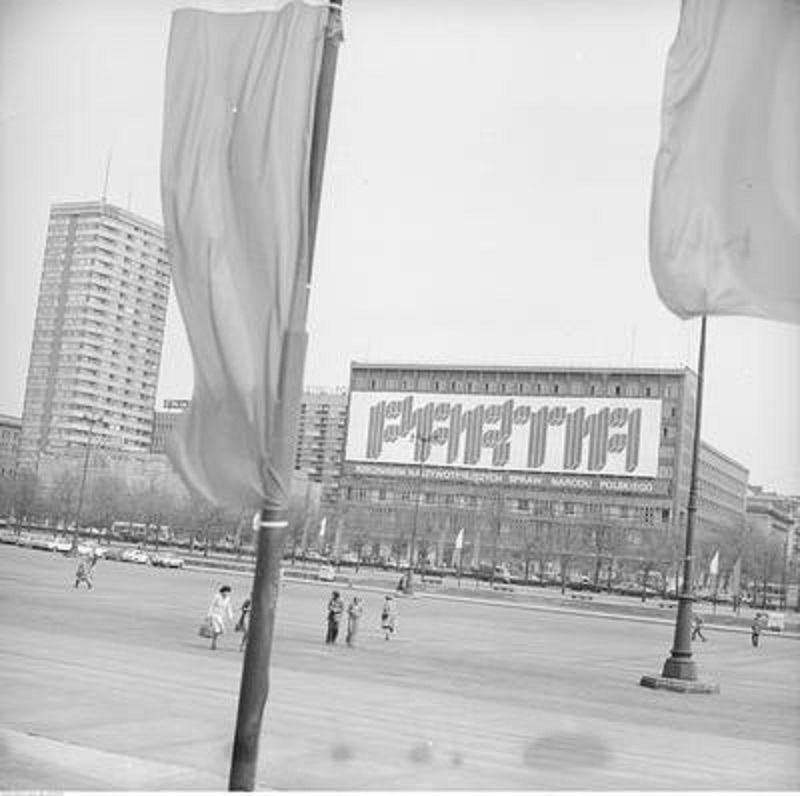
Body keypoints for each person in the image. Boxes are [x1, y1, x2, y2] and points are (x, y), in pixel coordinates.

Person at [207, 585, 234, 650]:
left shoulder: (228, 598)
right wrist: (208, 615)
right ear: (223, 591)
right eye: (226, 591)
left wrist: (230, 616)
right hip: (214, 615)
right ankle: (213, 643)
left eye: (228, 592)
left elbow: (228, 607)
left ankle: (213, 636)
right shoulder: (217, 597)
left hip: (222, 616)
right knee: (217, 630)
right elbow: (212, 606)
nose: (227, 593)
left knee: (222, 631)